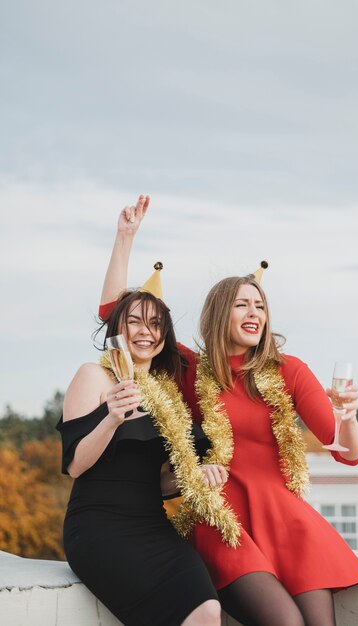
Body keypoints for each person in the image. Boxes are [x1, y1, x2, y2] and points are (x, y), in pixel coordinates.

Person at [99, 196, 358, 626]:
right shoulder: (192, 371)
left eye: (260, 305)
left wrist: (350, 417)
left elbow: (347, 451)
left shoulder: (290, 371)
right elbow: (116, 316)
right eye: (243, 304)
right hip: (223, 521)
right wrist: (124, 238)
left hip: (286, 520)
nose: (254, 313)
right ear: (221, 313)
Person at [57, 258, 231, 626]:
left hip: (153, 526)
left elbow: (161, 482)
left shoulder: (167, 397)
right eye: (134, 321)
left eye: (155, 324)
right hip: (98, 528)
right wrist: (112, 418)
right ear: (117, 327)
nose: (145, 331)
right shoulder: (94, 376)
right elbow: (74, 465)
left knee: (207, 611)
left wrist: (198, 476)